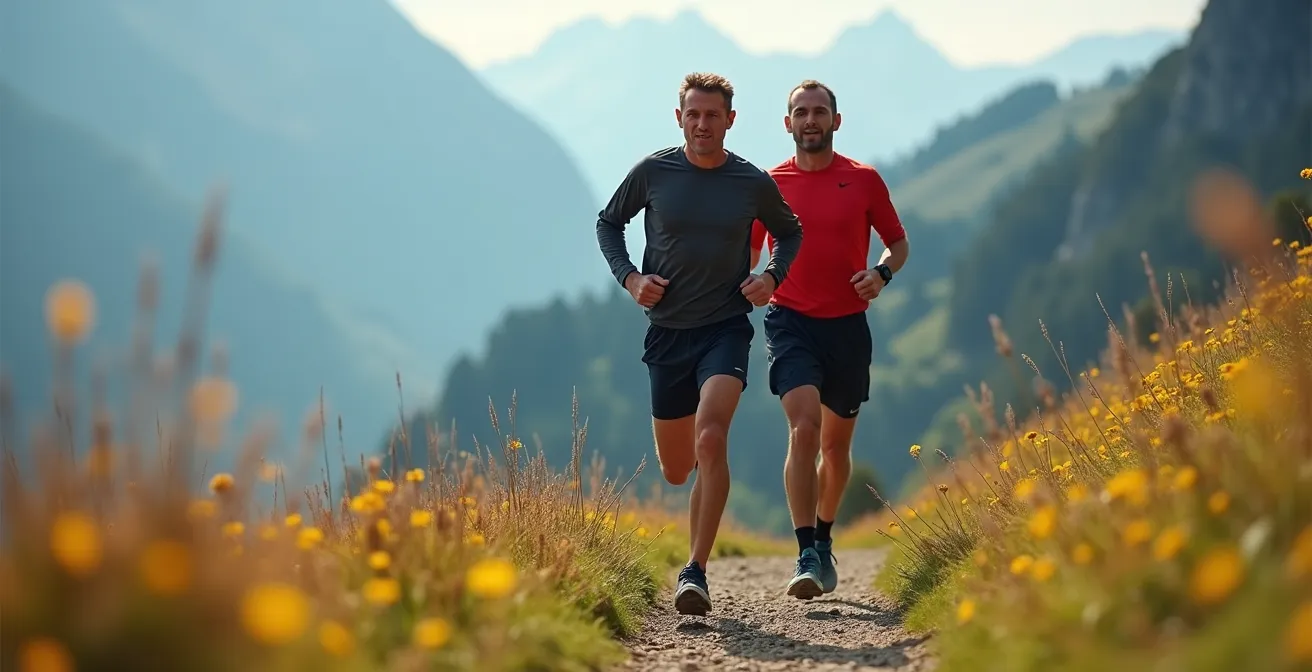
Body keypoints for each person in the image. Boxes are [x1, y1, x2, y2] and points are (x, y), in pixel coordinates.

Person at [596, 72, 804, 616]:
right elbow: (608, 224)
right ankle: (695, 517)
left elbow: (790, 231)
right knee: (675, 467)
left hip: (725, 328)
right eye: (694, 114)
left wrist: (772, 276)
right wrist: (630, 279)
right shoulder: (652, 172)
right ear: (679, 117)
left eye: (713, 115)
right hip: (667, 332)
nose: (703, 124)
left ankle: (695, 571)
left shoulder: (751, 182)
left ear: (730, 120)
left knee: (710, 438)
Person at [749, 79, 910, 599]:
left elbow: (897, 243)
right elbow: (748, 252)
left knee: (836, 449)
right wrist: (750, 283)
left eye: (819, 111)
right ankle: (805, 553)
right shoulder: (769, 184)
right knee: (804, 428)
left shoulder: (863, 179)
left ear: (835, 121)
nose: (810, 120)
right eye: (801, 112)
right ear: (787, 123)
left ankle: (823, 537)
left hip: (847, 326)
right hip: (789, 320)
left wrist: (881, 274)